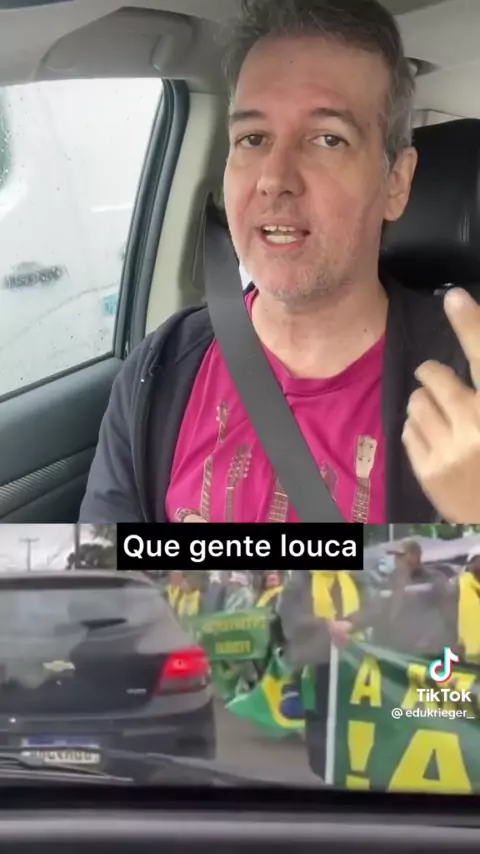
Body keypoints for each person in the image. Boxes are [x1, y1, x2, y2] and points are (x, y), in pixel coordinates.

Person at [79, 0, 480, 526]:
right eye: (253, 138)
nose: (274, 178)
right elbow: (101, 575)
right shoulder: (160, 370)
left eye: (328, 139)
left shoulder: (467, 385)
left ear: (396, 183)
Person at [279, 569, 364, 777]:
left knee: (351, 719)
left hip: (351, 662)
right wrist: (326, 625)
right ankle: (322, 773)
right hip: (314, 663)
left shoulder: (353, 578)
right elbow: (291, 623)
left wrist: (351, 624)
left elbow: (374, 609)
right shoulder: (298, 582)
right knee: (319, 720)